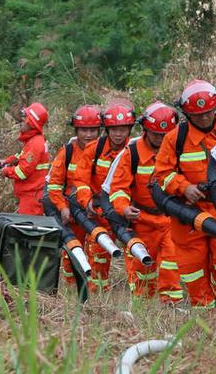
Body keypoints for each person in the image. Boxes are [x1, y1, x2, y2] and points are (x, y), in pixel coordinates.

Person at [154, 80, 216, 309]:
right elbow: (162, 174)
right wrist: (184, 187)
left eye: (207, 112)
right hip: (188, 215)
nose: (203, 118)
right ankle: (204, 311)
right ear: (186, 114)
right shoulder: (175, 138)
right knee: (192, 267)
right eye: (197, 114)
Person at [103, 101, 183, 303]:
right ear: (145, 130)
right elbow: (118, 187)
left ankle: (171, 304)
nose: (160, 138)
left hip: (170, 219)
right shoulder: (133, 153)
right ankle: (143, 304)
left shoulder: (178, 148)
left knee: (171, 263)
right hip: (142, 220)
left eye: (165, 135)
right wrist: (123, 208)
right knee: (142, 268)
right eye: (155, 134)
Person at [72, 103, 135, 292]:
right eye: (114, 129)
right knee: (99, 253)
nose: (118, 134)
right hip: (100, 213)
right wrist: (87, 202)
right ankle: (98, 293)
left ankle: (139, 295)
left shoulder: (136, 149)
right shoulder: (94, 150)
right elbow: (81, 180)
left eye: (123, 129)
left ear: (129, 129)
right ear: (107, 129)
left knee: (135, 251)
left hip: (127, 213)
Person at [45, 104, 102, 285]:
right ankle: (72, 285)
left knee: (99, 250)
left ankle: (96, 287)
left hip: (97, 211)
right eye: (84, 130)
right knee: (71, 250)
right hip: (72, 211)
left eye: (93, 130)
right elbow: (53, 185)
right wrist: (62, 208)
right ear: (76, 130)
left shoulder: (106, 152)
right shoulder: (67, 153)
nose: (88, 135)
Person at [0, 102, 50, 215]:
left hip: (32, 196)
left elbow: (23, 171)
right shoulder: (33, 141)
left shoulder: (35, 143)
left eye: (25, 117)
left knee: (28, 229)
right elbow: (22, 157)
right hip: (31, 194)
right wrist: (7, 161)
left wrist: (6, 171)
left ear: (30, 122)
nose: (21, 121)